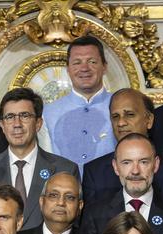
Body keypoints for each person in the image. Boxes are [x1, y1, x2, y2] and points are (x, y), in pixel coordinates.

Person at [0, 87, 78, 230]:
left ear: (38, 123)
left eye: (24, 116)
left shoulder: (64, 169)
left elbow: (73, 226)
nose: (17, 124)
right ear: (2, 125)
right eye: (10, 117)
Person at [81, 88, 163, 207]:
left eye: (130, 115)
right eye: (115, 116)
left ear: (149, 120)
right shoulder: (94, 172)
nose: (121, 123)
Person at [41, 35, 114, 169]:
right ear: (68, 69)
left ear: (104, 67)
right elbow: (45, 163)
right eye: (77, 62)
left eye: (92, 62)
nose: (84, 68)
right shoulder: (47, 113)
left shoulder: (120, 106)